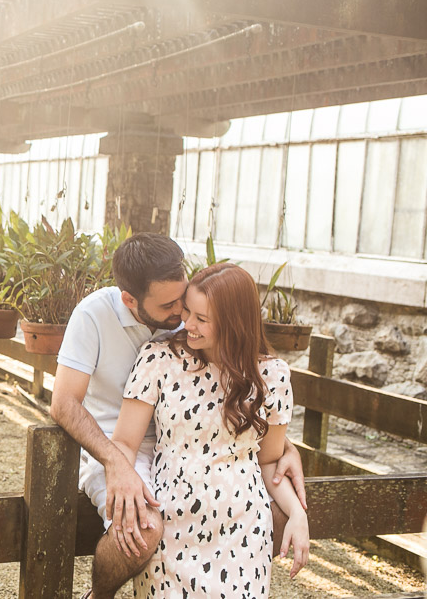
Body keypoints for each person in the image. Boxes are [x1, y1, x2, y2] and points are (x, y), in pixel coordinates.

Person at [50, 234, 308, 599]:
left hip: (222, 494)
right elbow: (63, 404)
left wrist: (285, 450)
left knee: (272, 518)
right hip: (114, 444)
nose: (182, 317)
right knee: (144, 529)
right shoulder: (102, 321)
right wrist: (114, 463)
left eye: (187, 305)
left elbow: (246, 427)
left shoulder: (201, 329)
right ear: (130, 300)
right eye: (173, 306)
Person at [112, 262, 309, 597]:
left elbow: (270, 463)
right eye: (188, 311)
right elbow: (124, 442)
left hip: (242, 535)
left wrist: (297, 515)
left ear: (234, 323)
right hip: (170, 531)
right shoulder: (158, 358)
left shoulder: (273, 375)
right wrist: (123, 492)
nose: (187, 324)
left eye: (201, 319)